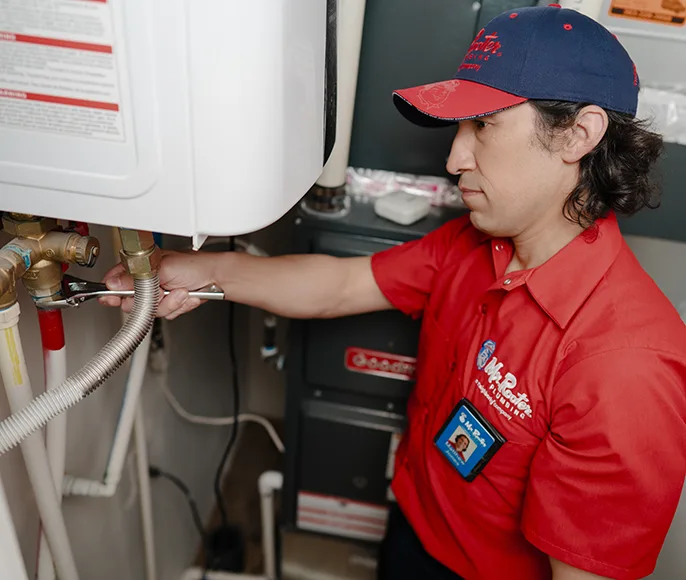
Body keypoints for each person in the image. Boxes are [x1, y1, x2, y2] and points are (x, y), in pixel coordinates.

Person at [101, 5, 686, 580]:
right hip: (412, 526)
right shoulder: (474, 243)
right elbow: (340, 285)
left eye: (483, 125)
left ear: (578, 135)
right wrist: (196, 269)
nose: (456, 158)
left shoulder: (627, 370)